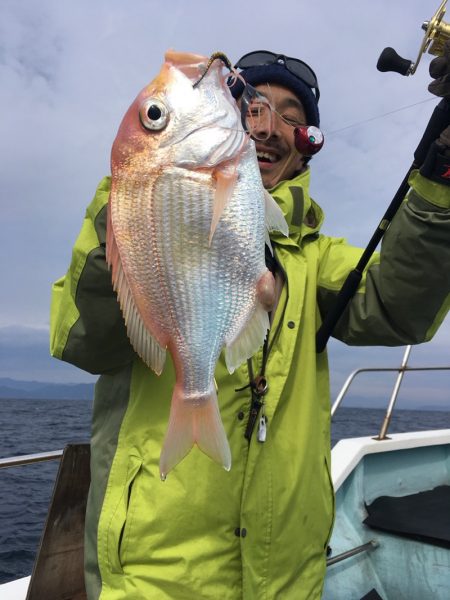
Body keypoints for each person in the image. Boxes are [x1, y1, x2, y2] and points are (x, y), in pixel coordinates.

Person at [50, 49, 450, 600]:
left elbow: (402, 305)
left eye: (293, 116)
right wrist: (131, 196)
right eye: (255, 104)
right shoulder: (133, 210)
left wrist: (441, 174)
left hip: (286, 580)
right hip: (154, 582)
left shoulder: (317, 260)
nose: (270, 127)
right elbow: (81, 338)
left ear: (307, 145)